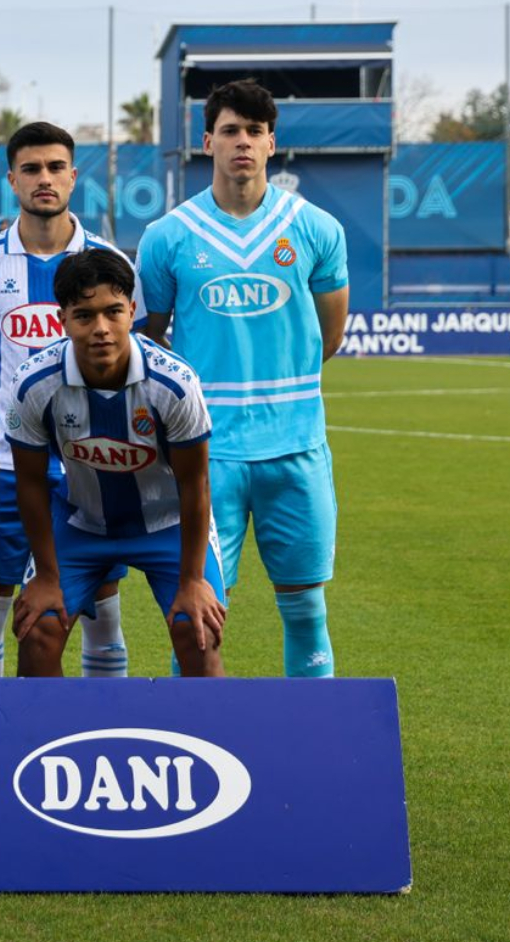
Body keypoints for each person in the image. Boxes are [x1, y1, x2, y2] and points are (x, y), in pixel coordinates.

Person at [139, 79, 348, 678]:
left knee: (306, 606)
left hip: (296, 448)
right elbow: (151, 343)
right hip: (207, 455)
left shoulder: (315, 229)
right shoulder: (168, 237)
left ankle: (314, 737)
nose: (242, 143)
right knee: (196, 614)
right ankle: (196, 745)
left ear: (271, 144)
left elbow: (329, 337)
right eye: (230, 130)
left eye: (254, 132)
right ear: (208, 141)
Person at [0, 122, 135, 678]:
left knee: (101, 612)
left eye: (55, 168)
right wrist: (8, 416)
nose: (44, 179)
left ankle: (105, 727)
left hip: (92, 465)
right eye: (31, 169)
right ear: (12, 180)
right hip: (3, 465)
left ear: (74, 177)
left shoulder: (110, 263)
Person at [3, 249, 226, 678]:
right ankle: (41, 742)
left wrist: (194, 582)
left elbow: (195, 486)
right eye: (84, 316)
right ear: (62, 320)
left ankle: (214, 742)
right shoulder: (34, 384)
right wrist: (47, 578)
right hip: (81, 523)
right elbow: (30, 485)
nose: (101, 329)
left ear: (132, 311)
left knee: (196, 630)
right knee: (38, 630)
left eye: (113, 312)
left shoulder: (174, 384)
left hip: (169, 525)